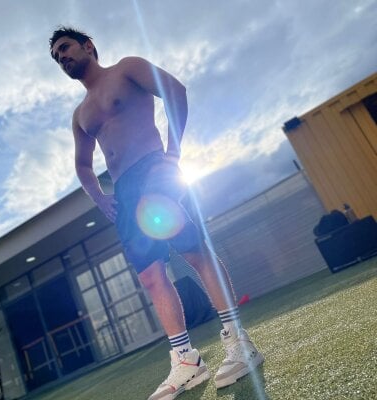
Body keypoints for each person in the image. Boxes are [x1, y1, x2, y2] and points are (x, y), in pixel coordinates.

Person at [49, 27, 264, 399]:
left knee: (194, 252)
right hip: (123, 191)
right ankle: (186, 360)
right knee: (150, 275)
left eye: (65, 48)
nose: (61, 57)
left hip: (154, 168)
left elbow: (175, 90)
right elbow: (82, 164)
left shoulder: (126, 68)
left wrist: (173, 154)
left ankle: (238, 341)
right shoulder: (80, 114)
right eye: (56, 57)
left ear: (88, 46)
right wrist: (99, 197)